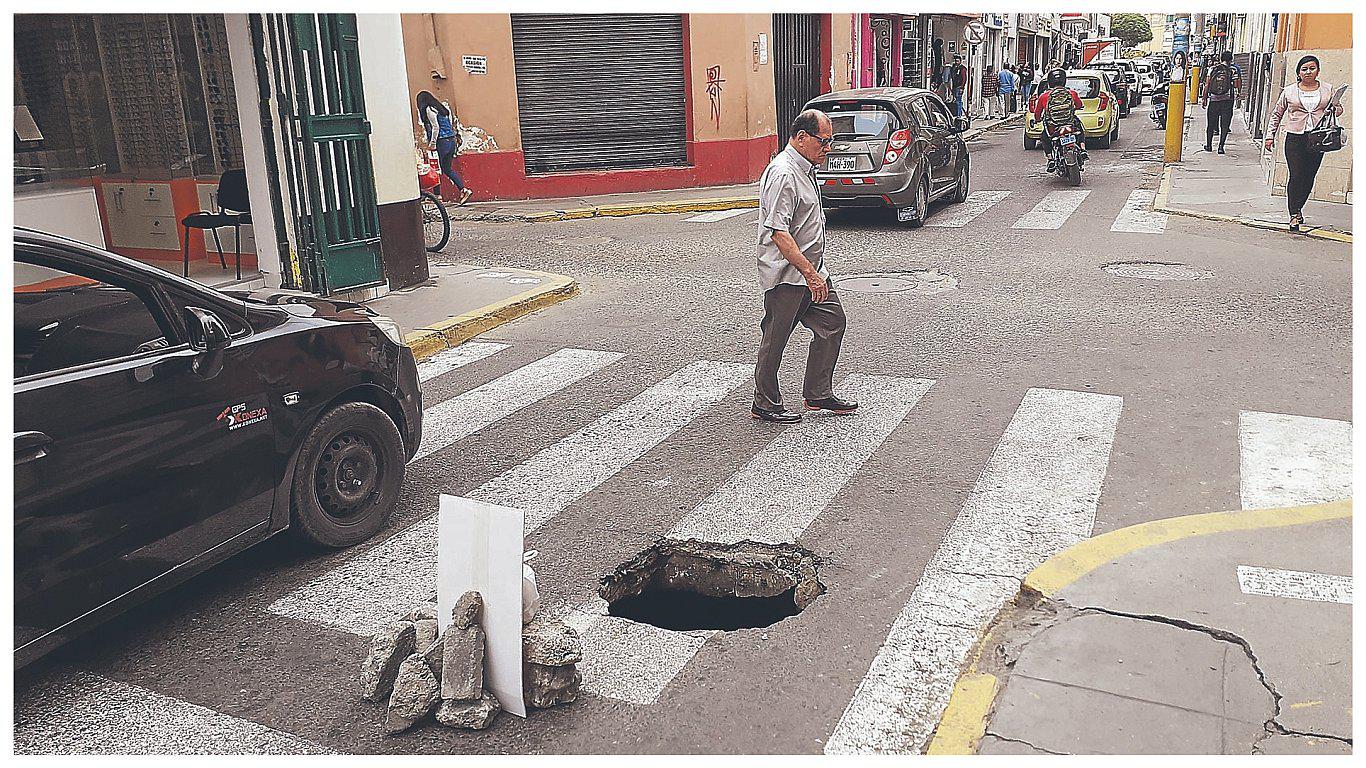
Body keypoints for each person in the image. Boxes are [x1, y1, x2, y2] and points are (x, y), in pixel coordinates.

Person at [752, 109, 856, 423]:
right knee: (776, 338)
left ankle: (817, 393)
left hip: (811, 273)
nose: (828, 149)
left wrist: (814, 272)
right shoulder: (784, 173)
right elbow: (778, 232)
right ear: (801, 138)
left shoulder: (806, 166)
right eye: (823, 142)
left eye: (830, 142)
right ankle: (764, 403)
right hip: (789, 275)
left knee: (833, 322)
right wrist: (809, 274)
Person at [1265, 55, 1346, 232]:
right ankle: (1293, 214)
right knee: (1296, 174)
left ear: (1318, 70)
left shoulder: (1327, 89)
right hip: (1295, 137)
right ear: (1299, 72)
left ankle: (1299, 206)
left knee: (1309, 176)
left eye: (1312, 68)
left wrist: (1335, 108)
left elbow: (1339, 110)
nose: (1308, 72)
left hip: (1317, 138)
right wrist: (1270, 136)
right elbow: (1277, 114)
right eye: (1304, 69)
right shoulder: (1289, 91)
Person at [416, 91, 474, 205]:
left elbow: (435, 127)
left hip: (441, 142)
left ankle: (437, 196)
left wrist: (432, 144)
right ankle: (463, 189)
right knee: (447, 169)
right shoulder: (441, 108)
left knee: (435, 168)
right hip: (451, 141)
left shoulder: (429, 109)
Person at [1033, 67, 1085, 172]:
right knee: (1081, 131)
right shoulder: (1072, 93)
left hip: (1053, 126)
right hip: (1070, 123)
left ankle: (1050, 159)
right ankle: (1083, 149)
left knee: (1044, 138)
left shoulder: (1044, 96)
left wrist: (1037, 120)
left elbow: (1037, 113)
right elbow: (1079, 105)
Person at [1200, 50, 1242, 153]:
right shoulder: (1233, 70)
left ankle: (1209, 145)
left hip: (1214, 100)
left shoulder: (1212, 69)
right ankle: (1220, 147)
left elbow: (1207, 84)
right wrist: (1238, 93)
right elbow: (1237, 85)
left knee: (1211, 124)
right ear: (1231, 60)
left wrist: (1204, 98)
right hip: (1227, 101)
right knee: (1225, 124)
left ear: (1221, 59)